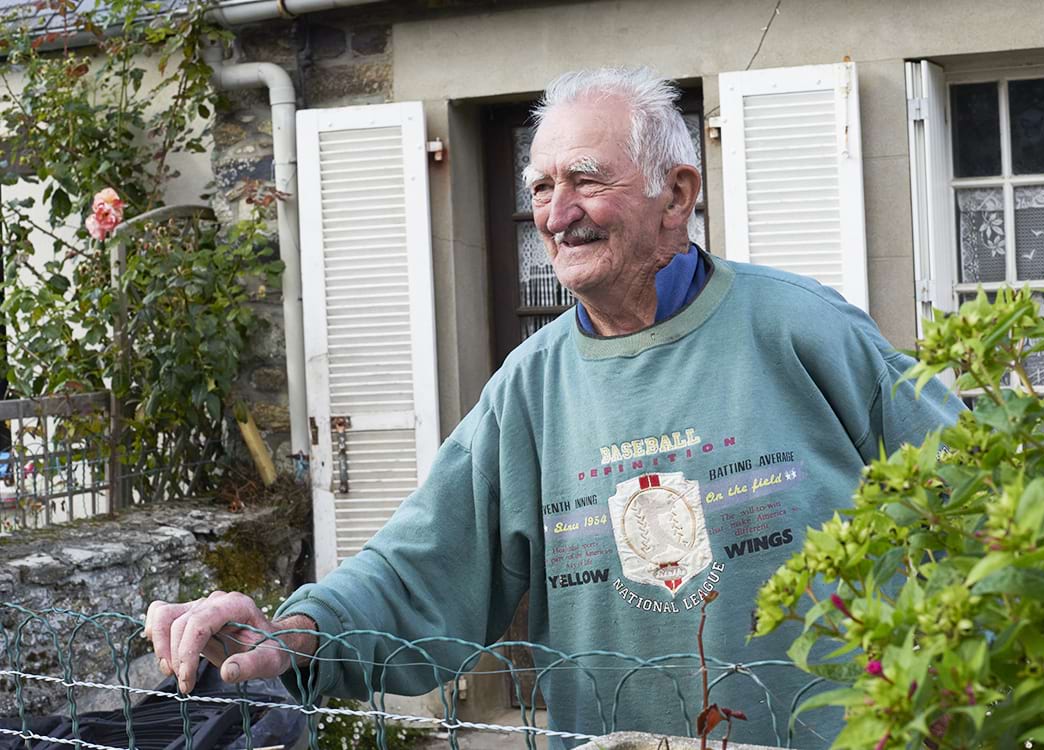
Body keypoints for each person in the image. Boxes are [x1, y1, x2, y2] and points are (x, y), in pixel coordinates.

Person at [145, 66, 963, 747]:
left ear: (676, 196)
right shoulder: (529, 389)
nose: (554, 213)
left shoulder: (803, 329)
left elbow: (973, 496)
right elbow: (421, 565)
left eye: (585, 180)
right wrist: (293, 632)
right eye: (540, 186)